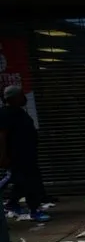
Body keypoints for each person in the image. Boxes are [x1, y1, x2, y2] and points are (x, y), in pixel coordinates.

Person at [0, 85, 50, 222]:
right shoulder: (5, 114)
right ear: (14, 98)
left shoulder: (19, 112)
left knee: (21, 182)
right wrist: (3, 156)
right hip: (17, 156)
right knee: (29, 183)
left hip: (27, 155)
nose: (24, 97)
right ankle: (34, 210)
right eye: (21, 95)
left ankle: (13, 204)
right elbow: (2, 136)